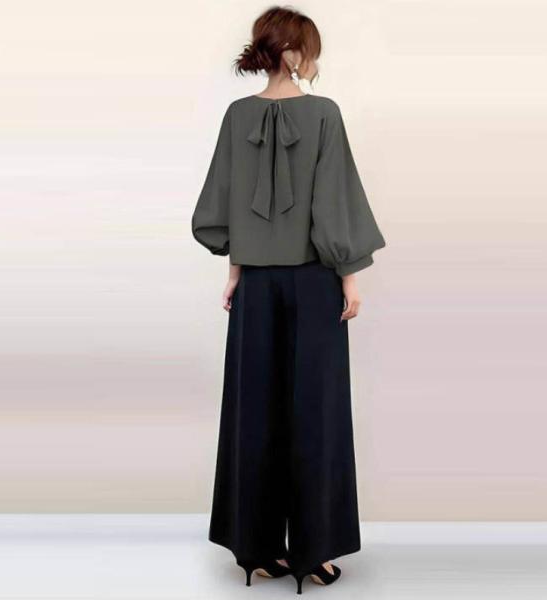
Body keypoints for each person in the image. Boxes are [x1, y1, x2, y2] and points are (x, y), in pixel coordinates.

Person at [191, 6, 386, 595]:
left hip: (255, 286)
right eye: (311, 49)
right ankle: (312, 553)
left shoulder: (236, 115)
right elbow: (333, 201)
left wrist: (236, 272)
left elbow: (226, 200)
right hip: (314, 282)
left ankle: (255, 550)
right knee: (316, 415)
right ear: (295, 53)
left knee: (253, 413)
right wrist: (349, 278)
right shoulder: (323, 114)